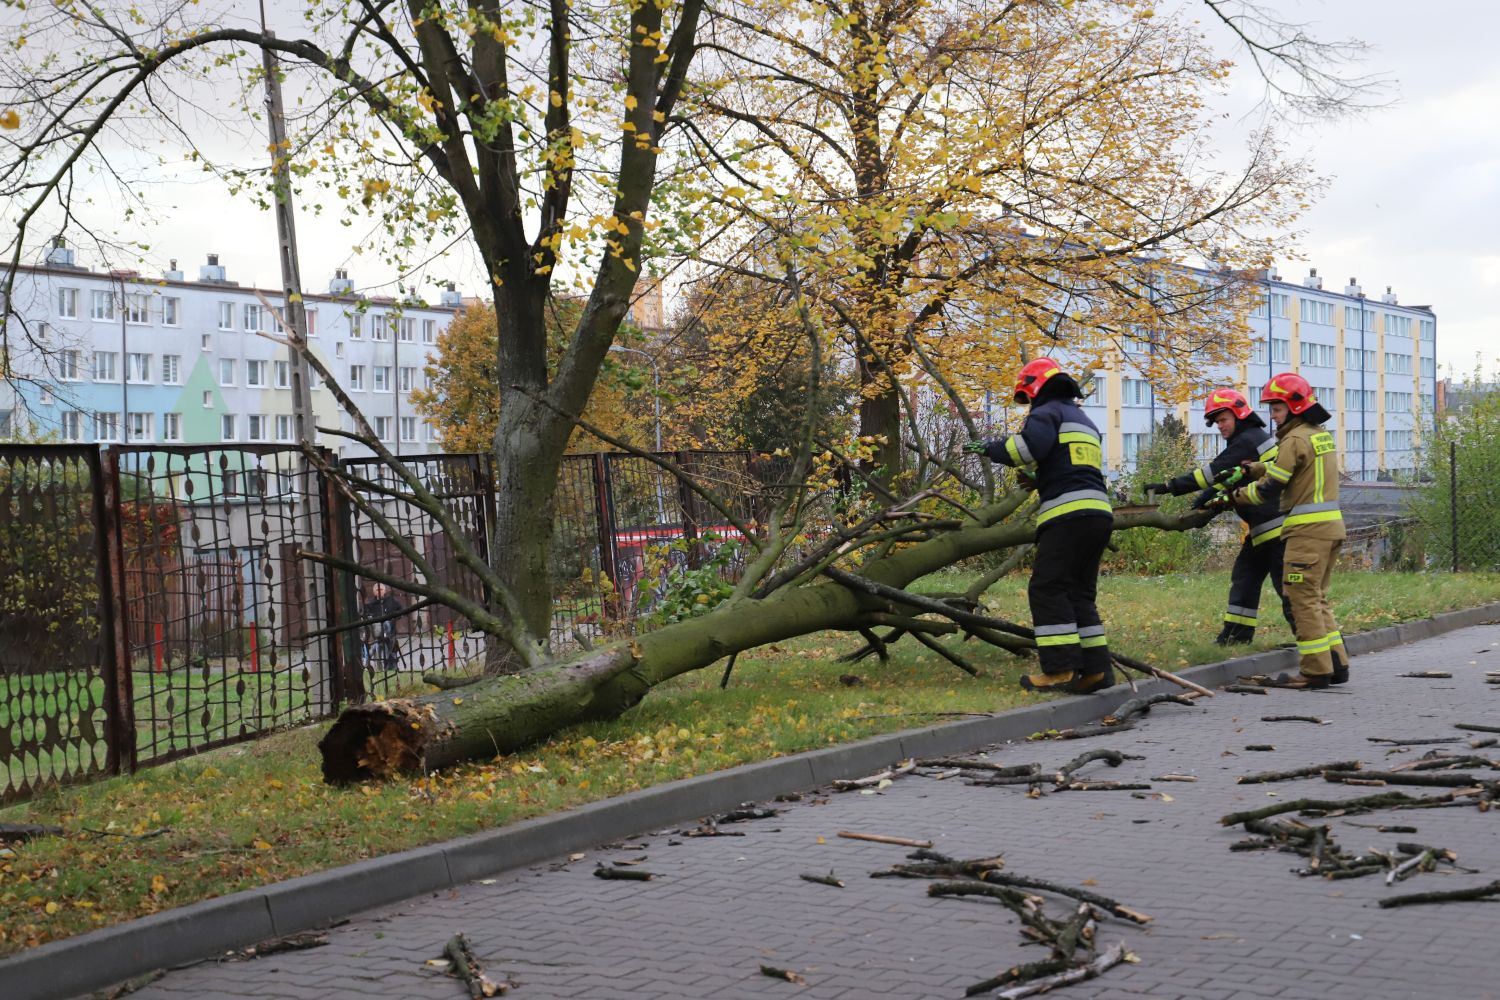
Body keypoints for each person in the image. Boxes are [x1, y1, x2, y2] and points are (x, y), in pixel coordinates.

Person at [965, 358, 1115, 694]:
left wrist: (989, 448)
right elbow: (1067, 462)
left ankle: (1060, 669)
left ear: (1035, 389)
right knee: (1079, 593)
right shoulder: (1084, 420)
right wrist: (1038, 477)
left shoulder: (1046, 413)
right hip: (1098, 514)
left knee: (1047, 589)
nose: (1029, 406)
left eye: (1028, 399)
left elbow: (1026, 447)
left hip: (1066, 516)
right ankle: (1096, 671)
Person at [1141, 387, 1294, 645]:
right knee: (1245, 578)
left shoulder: (1246, 440)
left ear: (1239, 416)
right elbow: (1228, 481)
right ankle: (1236, 636)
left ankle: (1317, 645)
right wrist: (1201, 506)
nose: (1220, 426)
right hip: (1265, 529)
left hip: (1276, 530)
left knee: (1290, 593)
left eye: (1223, 420)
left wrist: (1167, 487)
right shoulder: (1251, 439)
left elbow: (1207, 476)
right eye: (1216, 422)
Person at [1226, 373, 1348, 688]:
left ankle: (1314, 671)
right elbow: (1292, 465)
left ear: (1294, 407)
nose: (1272, 415)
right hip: (1331, 529)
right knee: (1316, 596)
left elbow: (1271, 487)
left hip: (1307, 533)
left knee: (1300, 598)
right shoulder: (1318, 434)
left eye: (1277, 409)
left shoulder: (1293, 439)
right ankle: (1336, 663)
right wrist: (1255, 467)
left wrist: (1237, 495)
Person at [360, 582, 403, 672]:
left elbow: (401, 610)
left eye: (381, 589)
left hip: (390, 631)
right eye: (377, 590)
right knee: (381, 628)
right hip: (377, 631)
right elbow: (364, 613)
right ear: (374, 592)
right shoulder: (371, 604)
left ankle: (390, 662)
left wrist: (396, 617)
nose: (379, 592)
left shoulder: (392, 601)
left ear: (385, 591)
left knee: (387, 625)